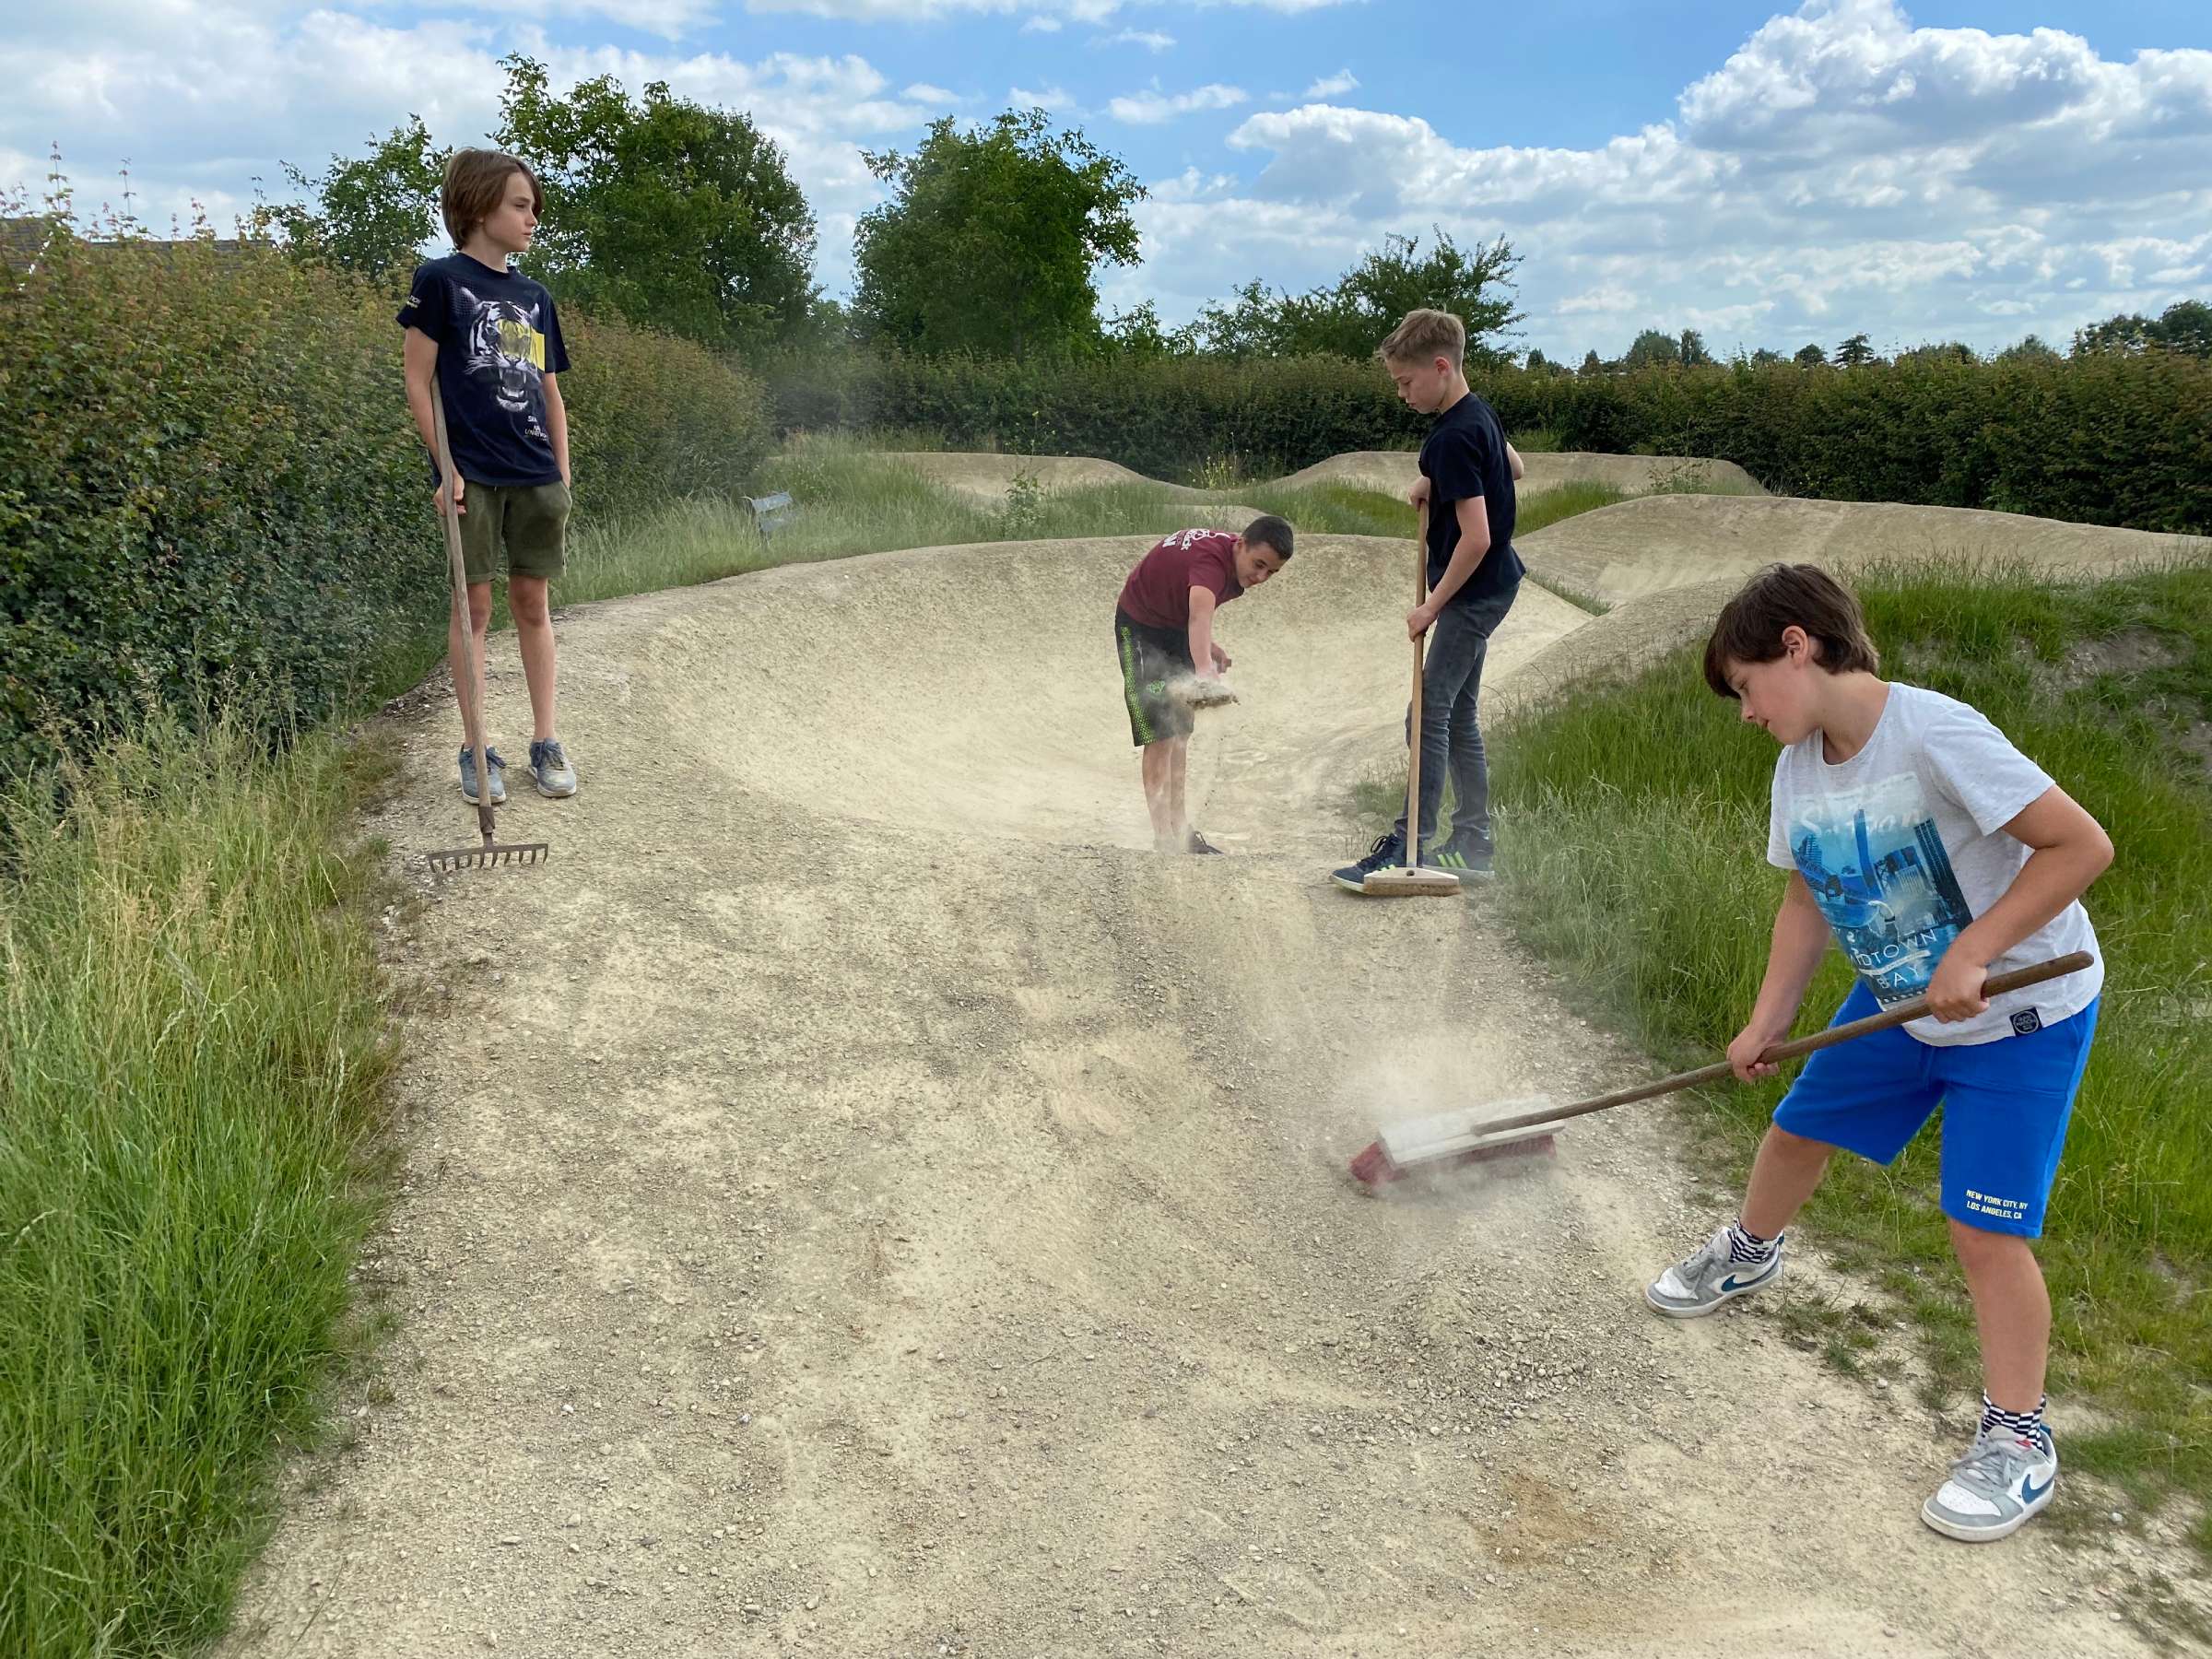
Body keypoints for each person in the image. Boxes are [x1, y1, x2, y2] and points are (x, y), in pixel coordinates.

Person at [1647, 562, 2112, 1544]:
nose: (1745, 713)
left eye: (1744, 687)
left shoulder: (1934, 731)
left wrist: (1977, 950)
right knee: (1793, 1131)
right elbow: (1806, 899)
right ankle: (1750, 1251)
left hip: (2018, 1017)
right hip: (1899, 1002)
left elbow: (2081, 847)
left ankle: (2019, 1438)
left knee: (1984, 1232)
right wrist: (1768, 1018)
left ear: (1797, 647)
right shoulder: (1799, 767)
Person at [399, 147, 579, 804]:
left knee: (532, 603)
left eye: (533, 207)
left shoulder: (534, 298)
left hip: (534, 473)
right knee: (473, 607)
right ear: (478, 208)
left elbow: (547, 391)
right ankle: (477, 748)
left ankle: (546, 739)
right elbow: (418, 381)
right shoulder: (441, 282)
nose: (533, 219)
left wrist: (561, 474)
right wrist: (444, 468)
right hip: (471, 474)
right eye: (521, 206)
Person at [1333, 308, 1524, 890]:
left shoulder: (1453, 435)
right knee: (1457, 712)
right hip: (1494, 585)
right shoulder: (1477, 413)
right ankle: (1473, 842)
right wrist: (1436, 481)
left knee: (1428, 712)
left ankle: (1408, 842)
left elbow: (1478, 535)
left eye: (1406, 381)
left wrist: (1431, 606)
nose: (1401, 392)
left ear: (1441, 367)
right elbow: (1513, 467)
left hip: (1471, 592)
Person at [1113, 518, 1293, 853]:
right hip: (1138, 628)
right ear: (1240, 544)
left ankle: (1181, 831)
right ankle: (1163, 839)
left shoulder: (1231, 563)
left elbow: (1197, 615)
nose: (1261, 577)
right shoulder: (1211, 564)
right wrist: (1205, 674)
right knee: (1160, 734)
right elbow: (1198, 617)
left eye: (1271, 572)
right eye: (1259, 565)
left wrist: (1208, 648)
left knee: (1180, 732)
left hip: (1173, 627)